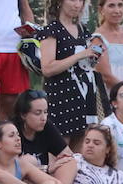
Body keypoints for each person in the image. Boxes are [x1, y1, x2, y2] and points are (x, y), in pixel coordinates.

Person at [40, 0, 107, 145]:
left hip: (83, 96)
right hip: (61, 98)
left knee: (81, 151)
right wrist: (80, 54)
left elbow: (85, 65)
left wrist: (94, 55)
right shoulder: (51, 30)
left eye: (80, 1)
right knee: (60, 152)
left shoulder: (83, 29)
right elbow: (47, 68)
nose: (77, 5)